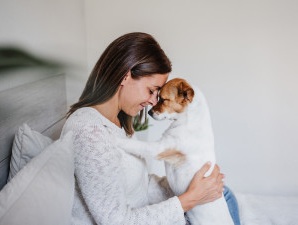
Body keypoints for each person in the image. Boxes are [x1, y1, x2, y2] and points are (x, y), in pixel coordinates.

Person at [61, 32, 240, 225]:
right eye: (151, 90)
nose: (154, 101)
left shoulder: (117, 122)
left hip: (155, 207)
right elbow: (117, 221)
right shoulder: (89, 132)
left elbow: (140, 187)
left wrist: (195, 182)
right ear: (125, 76)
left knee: (225, 194)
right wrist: (189, 199)